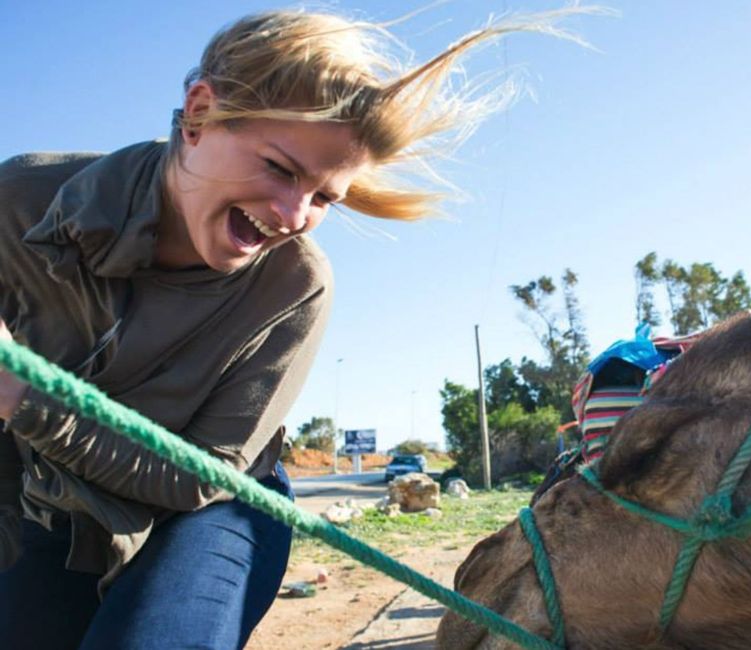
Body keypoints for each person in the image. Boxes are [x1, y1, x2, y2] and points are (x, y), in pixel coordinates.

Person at [0, 8, 585, 649]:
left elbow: (198, 479)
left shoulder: (298, 285)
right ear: (198, 114)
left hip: (212, 507)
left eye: (325, 197)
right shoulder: (22, 202)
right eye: (279, 167)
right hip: (55, 503)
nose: (291, 214)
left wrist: (23, 399)